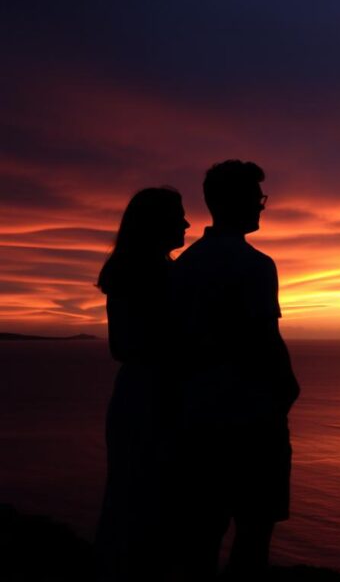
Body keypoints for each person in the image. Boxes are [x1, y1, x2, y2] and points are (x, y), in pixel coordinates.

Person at [173, 160, 300, 580]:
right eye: (256, 198)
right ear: (233, 201)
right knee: (253, 535)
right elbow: (264, 339)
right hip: (251, 418)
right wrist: (287, 391)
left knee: (200, 536)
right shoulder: (256, 264)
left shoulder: (185, 265)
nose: (261, 207)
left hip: (196, 416)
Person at [96, 187, 190, 580]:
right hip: (152, 401)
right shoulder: (150, 274)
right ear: (156, 224)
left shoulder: (144, 270)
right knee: (145, 506)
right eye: (178, 215)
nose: (186, 222)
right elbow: (129, 345)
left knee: (130, 502)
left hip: (140, 396)